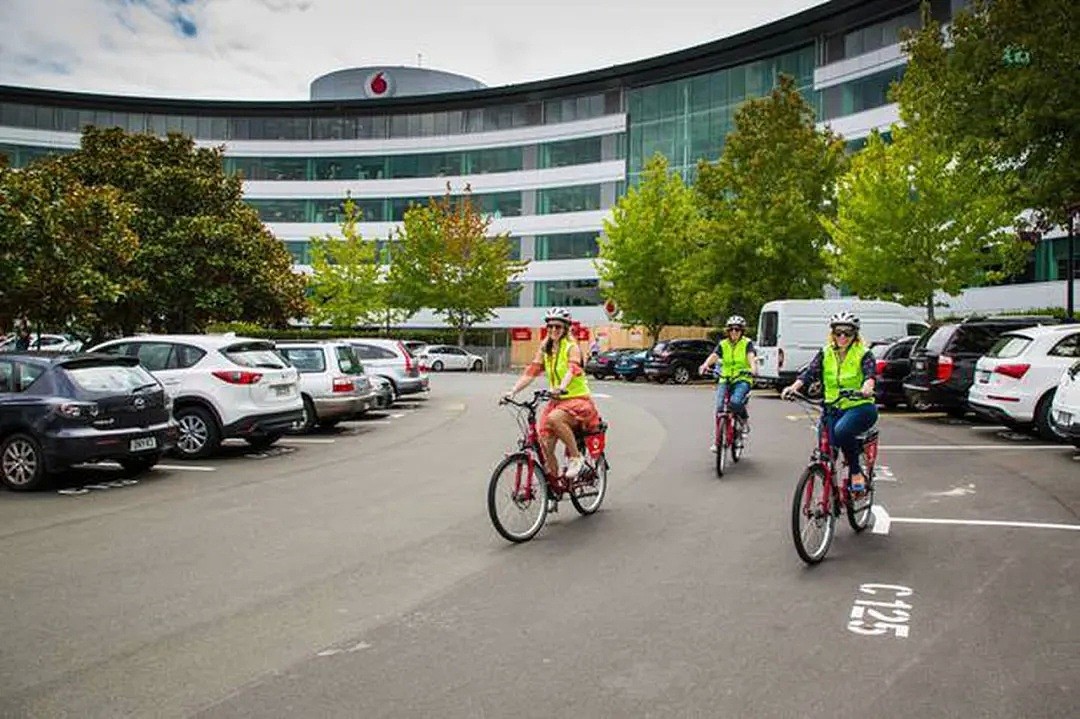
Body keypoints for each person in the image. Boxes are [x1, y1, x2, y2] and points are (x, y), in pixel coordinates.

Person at [781, 311, 878, 493]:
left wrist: (867, 387)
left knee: (842, 431)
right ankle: (830, 498)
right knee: (827, 451)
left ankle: (856, 472)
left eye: (847, 333)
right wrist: (794, 387)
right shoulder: (825, 352)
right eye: (838, 332)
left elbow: (869, 374)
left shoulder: (864, 353)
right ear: (832, 333)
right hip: (832, 407)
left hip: (859, 406)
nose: (842, 337)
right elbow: (810, 372)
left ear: (855, 334)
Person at [504, 307, 601, 479]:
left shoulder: (572, 347)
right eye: (550, 326)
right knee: (544, 447)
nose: (553, 330)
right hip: (556, 402)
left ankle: (576, 457)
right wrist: (513, 391)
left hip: (577, 401)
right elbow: (532, 371)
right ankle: (552, 492)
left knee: (554, 418)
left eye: (558, 327)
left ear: (565, 328)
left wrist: (561, 387)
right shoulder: (546, 347)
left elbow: (572, 369)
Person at [699, 315, 756, 450]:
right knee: (720, 408)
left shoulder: (746, 343)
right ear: (728, 331)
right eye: (731, 329)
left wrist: (753, 368)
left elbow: (751, 356)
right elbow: (715, 356)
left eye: (737, 329)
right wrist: (705, 365)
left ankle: (743, 421)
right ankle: (718, 441)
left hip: (742, 378)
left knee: (735, 402)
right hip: (725, 378)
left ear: (742, 331)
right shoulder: (723, 344)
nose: (734, 332)